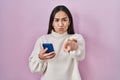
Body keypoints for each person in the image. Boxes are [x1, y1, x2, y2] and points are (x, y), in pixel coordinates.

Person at [29, 5, 85, 80]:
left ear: (69, 22)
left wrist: (72, 46)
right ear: (52, 23)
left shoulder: (76, 38)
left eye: (64, 20)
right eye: (57, 20)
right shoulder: (43, 40)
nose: (60, 24)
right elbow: (34, 69)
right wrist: (40, 58)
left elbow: (80, 55)